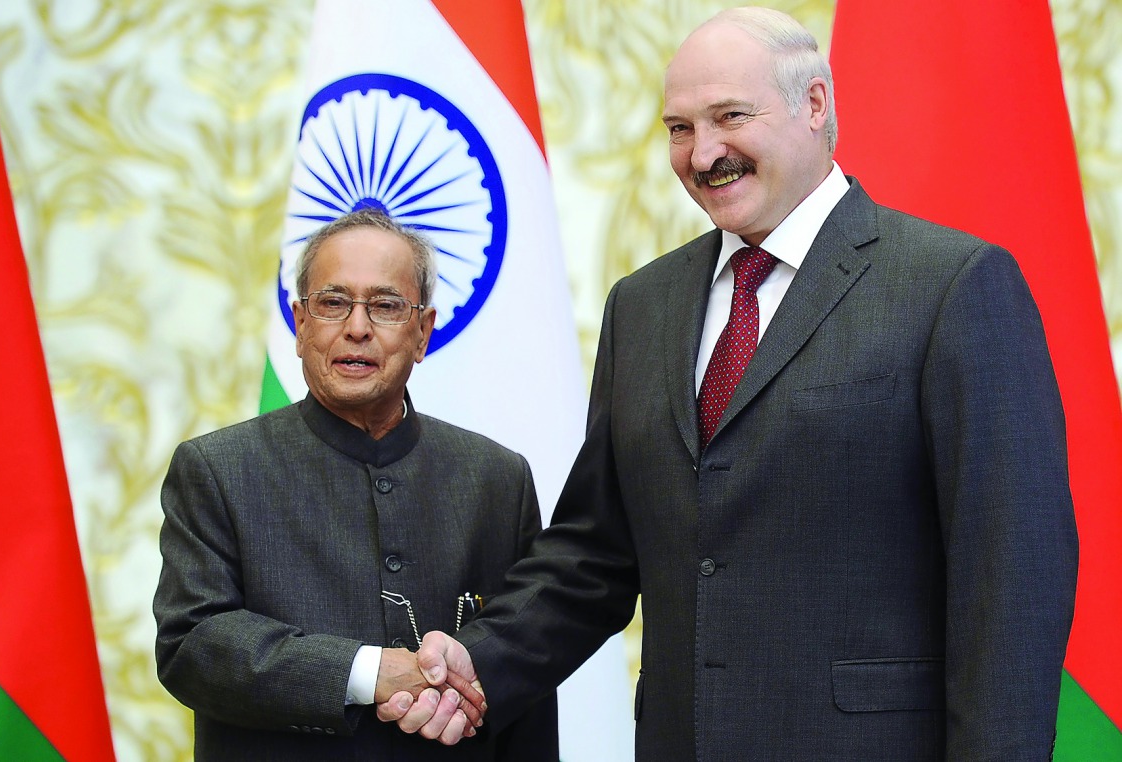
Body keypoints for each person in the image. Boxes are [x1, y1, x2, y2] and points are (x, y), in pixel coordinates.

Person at [378, 7, 1078, 760]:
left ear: (814, 106)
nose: (703, 152)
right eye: (679, 128)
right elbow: (597, 554)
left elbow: (1011, 581)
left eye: (729, 117)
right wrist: (477, 663)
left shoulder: (950, 287)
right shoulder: (642, 306)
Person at [153, 208, 557, 760]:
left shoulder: (496, 478)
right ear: (300, 324)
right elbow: (192, 646)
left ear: (422, 332)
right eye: (333, 302)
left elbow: (524, 675)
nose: (358, 327)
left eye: (387, 306)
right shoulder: (218, 468)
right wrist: (367, 672)